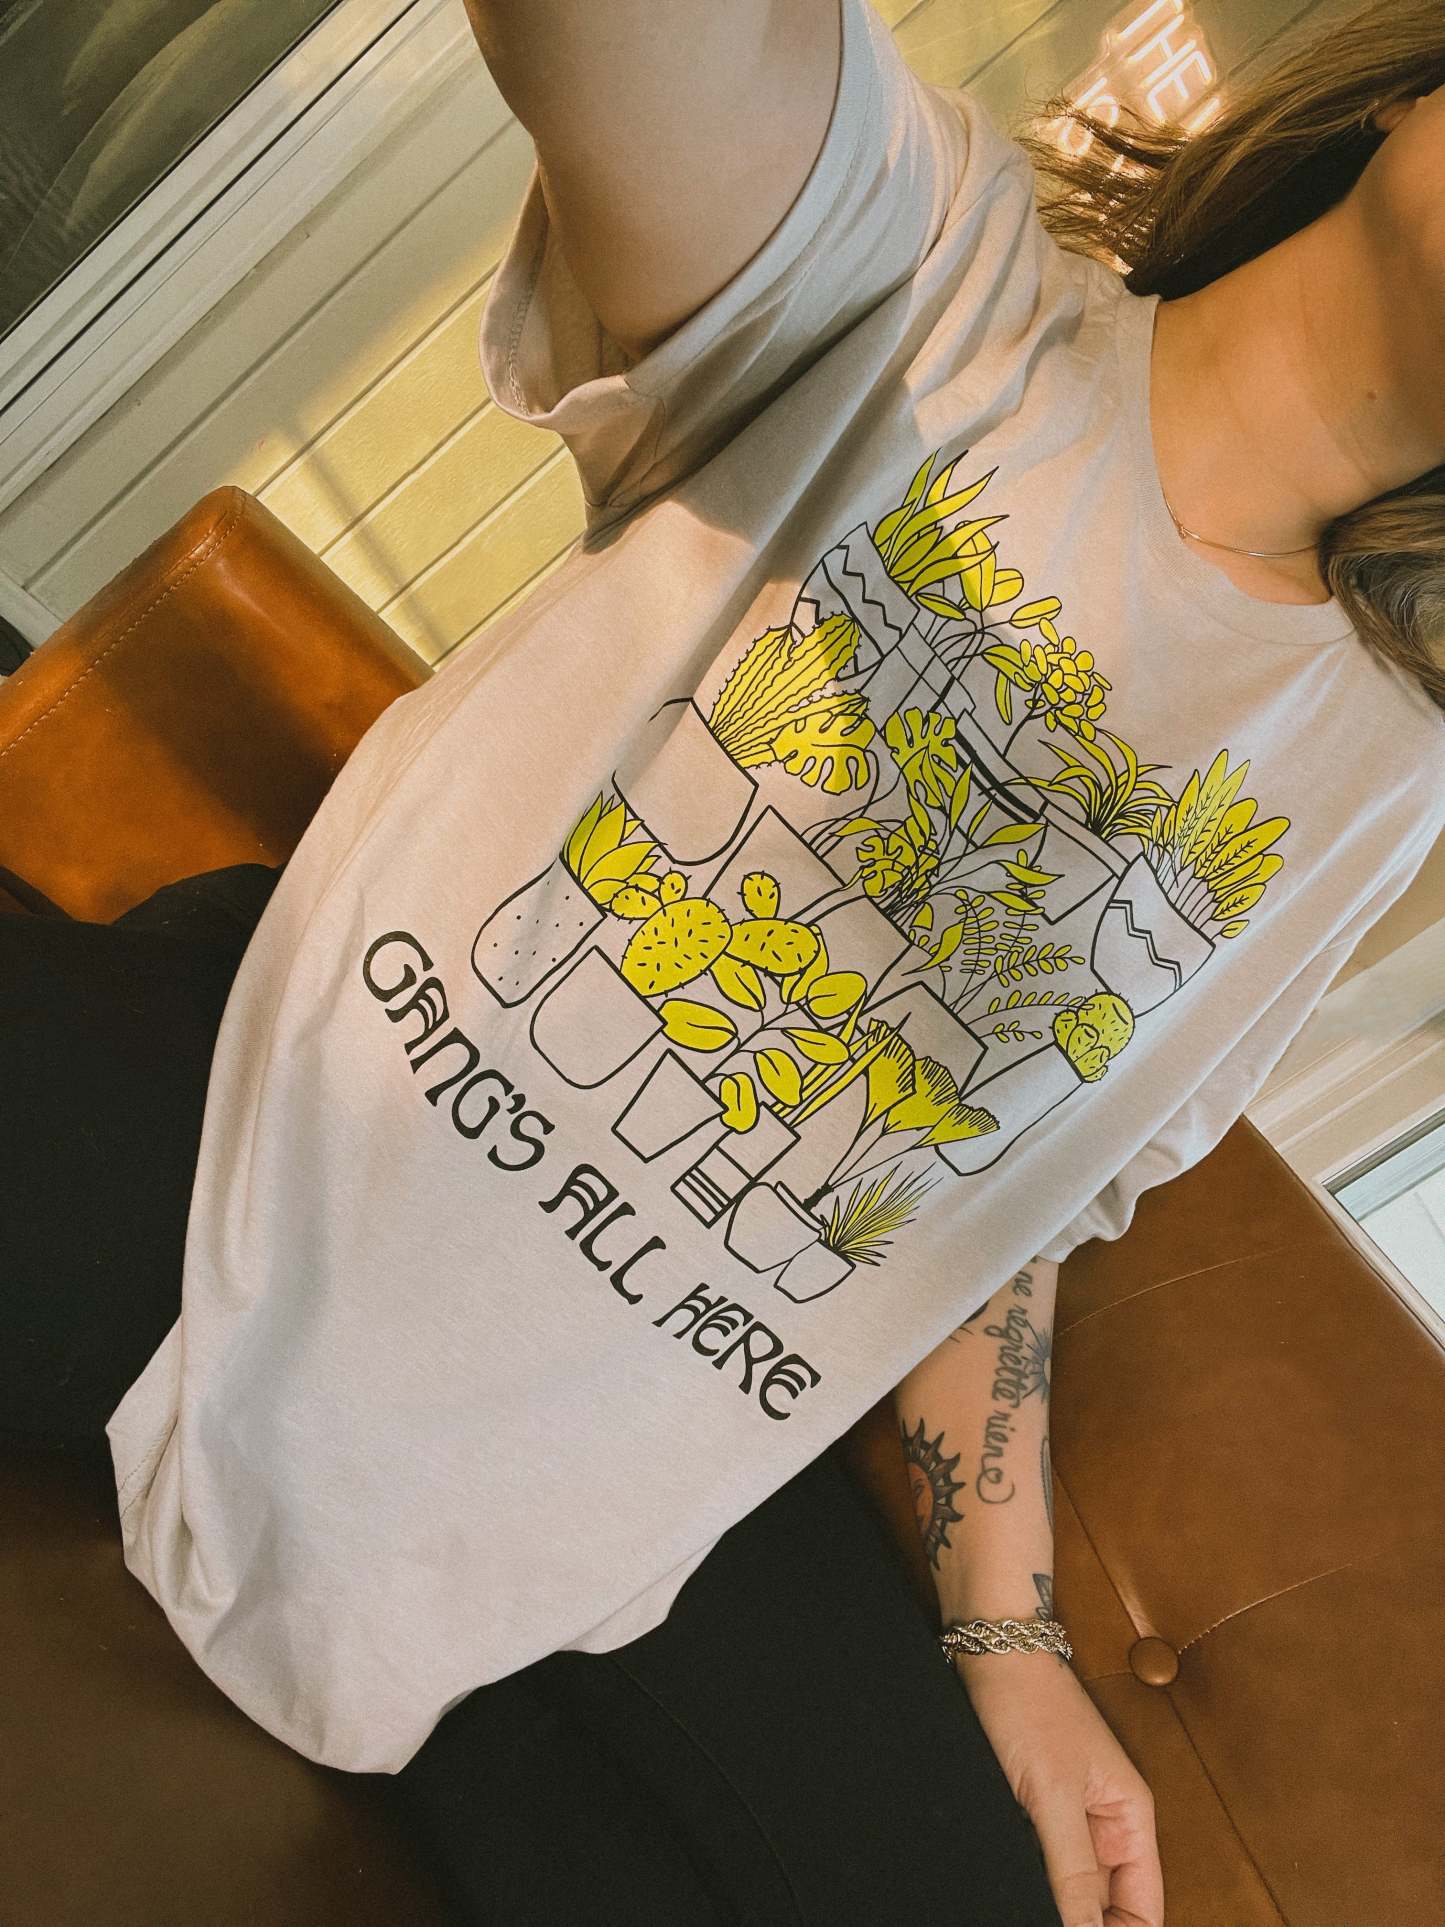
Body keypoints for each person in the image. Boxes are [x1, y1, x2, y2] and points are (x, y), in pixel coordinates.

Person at [6, 0, 1444, 1920]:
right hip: (245, 1146)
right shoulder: (928, 267)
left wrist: (1006, 1634)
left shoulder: (1387, 792)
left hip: (631, 1470)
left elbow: (1001, 1200)